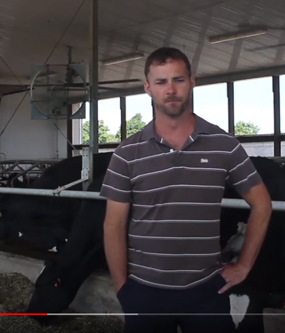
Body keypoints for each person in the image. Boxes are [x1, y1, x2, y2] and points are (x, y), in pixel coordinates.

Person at [99, 47, 273, 333]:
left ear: (193, 81)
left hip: (206, 290)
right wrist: (123, 288)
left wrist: (243, 266)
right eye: (161, 82)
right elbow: (113, 225)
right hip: (145, 291)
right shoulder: (127, 153)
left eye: (178, 80)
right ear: (147, 88)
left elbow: (262, 205)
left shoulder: (224, 145)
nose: (170, 90)